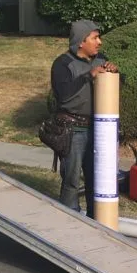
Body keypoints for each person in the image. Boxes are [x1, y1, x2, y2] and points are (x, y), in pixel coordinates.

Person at [49, 20, 118, 214]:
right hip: (73, 130)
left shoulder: (100, 59)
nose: (100, 42)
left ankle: (96, 221)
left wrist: (114, 74)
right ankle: (70, 222)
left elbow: (116, 88)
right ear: (81, 41)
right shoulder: (63, 64)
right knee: (71, 180)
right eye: (95, 38)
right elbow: (64, 95)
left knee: (96, 178)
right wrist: (89, 75)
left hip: (97, 130)